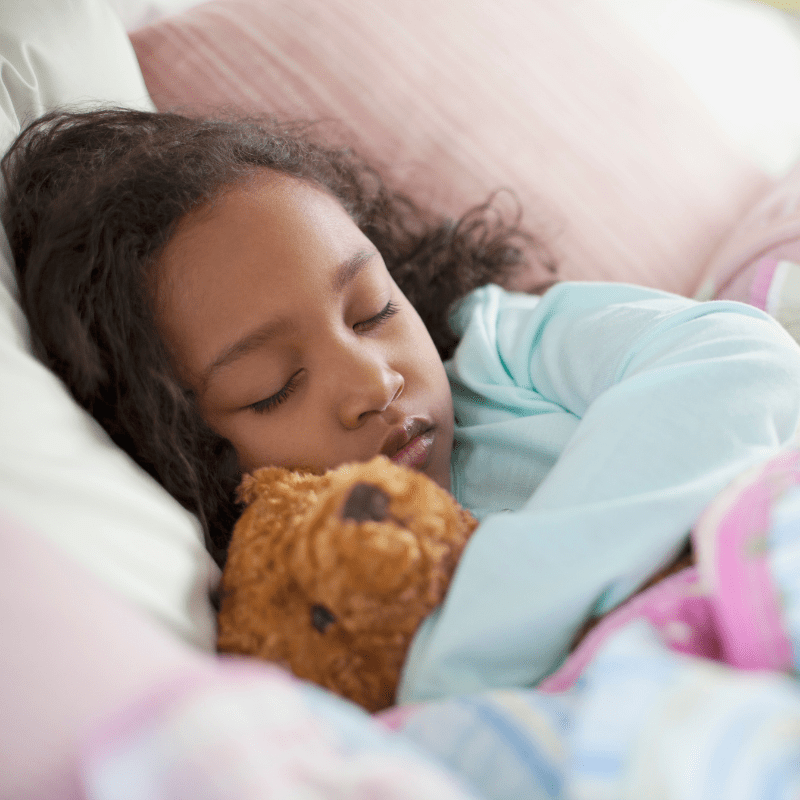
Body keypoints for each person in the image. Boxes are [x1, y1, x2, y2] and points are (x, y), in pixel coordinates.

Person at [4, 107, 800, 705]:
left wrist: (478, 639)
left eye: (372, 311)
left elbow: (742, 359)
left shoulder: (502, 351)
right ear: (176, 444)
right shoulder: (303, 614)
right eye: (273, 388)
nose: (374, 383)